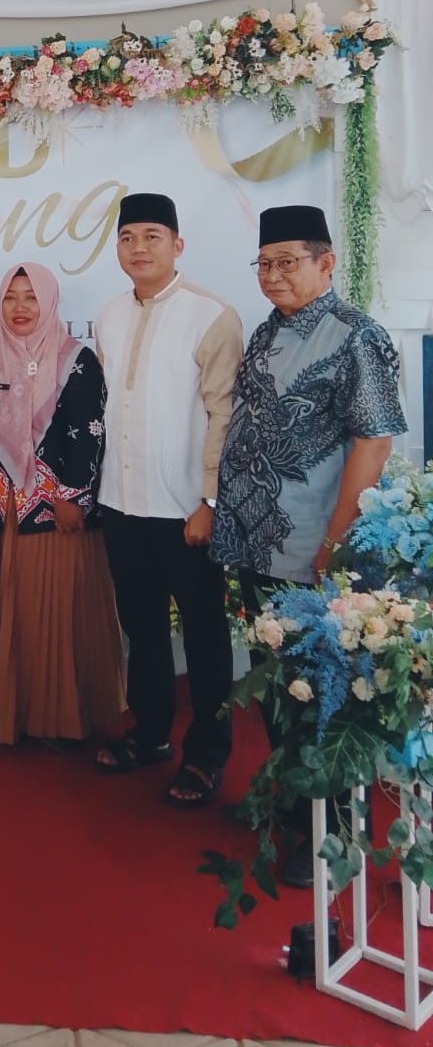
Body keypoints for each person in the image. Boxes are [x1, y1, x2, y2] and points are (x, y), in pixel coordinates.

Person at [210, 203, 405, 885]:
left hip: (314, 550)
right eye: (264, 263)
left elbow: (373, 440)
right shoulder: (268, 329)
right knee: (277, 685)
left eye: (287, 262)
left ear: (326, 263)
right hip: (256, 543)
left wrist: (337, 543)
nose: (273, 275)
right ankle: (296, 810)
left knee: (323, 694)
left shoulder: (357, 336)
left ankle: (337, 835)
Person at [92, 193, 243, 809]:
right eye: (128, 237)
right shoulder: (107, 315)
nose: (139, 248)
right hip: (122, 503)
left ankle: (206, 754)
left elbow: (223, 414)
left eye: (152, 236)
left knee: (204, 634)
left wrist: (209, 500)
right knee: (142, 628)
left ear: (177, 245)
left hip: (186, 510)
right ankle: (150, 733)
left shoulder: (212, 315)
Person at [0, 262, 125, 747]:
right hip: (5, 511)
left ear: (49, 303)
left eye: (31, 297)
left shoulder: (74, 359)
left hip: (56, 510)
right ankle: (17, 714)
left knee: (55, 612)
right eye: (11, 297)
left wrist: (72, 497)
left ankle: (59, 717)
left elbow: (90, 432)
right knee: (16, 610)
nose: (20, 308)